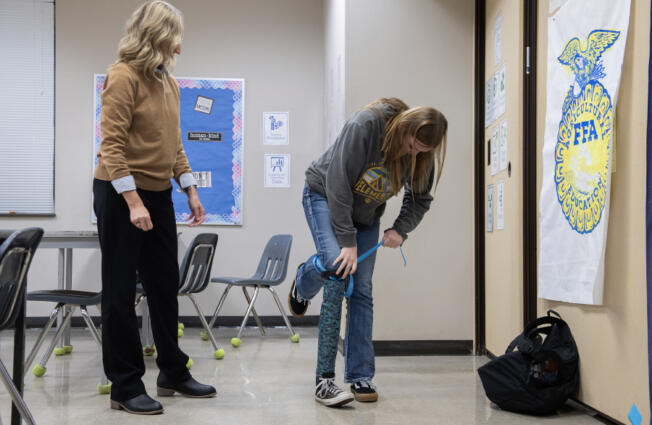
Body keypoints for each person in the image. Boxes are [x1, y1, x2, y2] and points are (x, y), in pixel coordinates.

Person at [93, 1, 215, 415]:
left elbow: (173, 142)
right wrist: (131, 201)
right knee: (121, 291)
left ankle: (172, 372)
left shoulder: (168, 83)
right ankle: (125, 386)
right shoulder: (122, 76)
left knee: (165, 286)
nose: (179, 47)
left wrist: (190, 188)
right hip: (118, 191)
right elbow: (110, 147)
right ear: (156, 36)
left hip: (159, 192)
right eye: (174, 37)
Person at [288, 98, 447, 407]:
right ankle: (324, 381)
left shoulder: (421, 155)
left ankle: (360, 375)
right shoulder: (367, 125)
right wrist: (347, 241)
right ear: (403, 128)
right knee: (336, 269)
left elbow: (419, 198)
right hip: (323, 194)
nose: (413, 154)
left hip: (365, 216)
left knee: (360, 289)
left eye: (421, 152)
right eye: (412, 146)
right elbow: (337, 183)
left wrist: (401, 229)